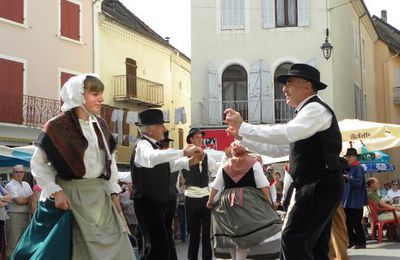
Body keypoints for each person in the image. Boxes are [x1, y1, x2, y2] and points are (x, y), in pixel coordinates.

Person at [224, 63, 345, 260]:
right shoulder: (306, 113)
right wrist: (244, 138)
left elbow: (287, 133)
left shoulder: (315, 109)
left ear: (307, 86)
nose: (284, 88)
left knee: (293, 239)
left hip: (319, 185)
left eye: (289, 83)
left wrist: (244, 127)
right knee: (313, 247)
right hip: (319, 185)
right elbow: (279, 148)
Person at [26, 74, 135, 259]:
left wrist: (114, 194)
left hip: (101, 199)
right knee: (79, 251)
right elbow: (38, 164)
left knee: (120, 249)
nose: (101, 98)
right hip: (72, 197)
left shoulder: (101, 125)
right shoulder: (57, 126)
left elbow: (110, 164)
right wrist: (56, 192)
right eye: (94, 94)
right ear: (78, 95)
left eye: (101, 93)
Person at [131, 109, 204, 260]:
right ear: (150, 129)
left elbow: (167, 166)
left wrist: (188, 162)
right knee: (156, 248)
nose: (164, 129)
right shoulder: (143, 146)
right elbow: (152, 158)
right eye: (161, 125)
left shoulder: (154, 147)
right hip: (148, 203)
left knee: (162, 246)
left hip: (156, 202)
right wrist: (182, 152)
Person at [207, 141, 282, 260]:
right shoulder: (254, 163)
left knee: (231, 234)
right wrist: (269, 203)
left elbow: (216, 185)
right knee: (245, 235)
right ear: (246, 150)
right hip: (248, 201)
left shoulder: (225, 165)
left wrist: (210, 201)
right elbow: (263, 186)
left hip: (227, 202)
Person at [181, 128, 219, 260]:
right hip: (190, 197)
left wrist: (212, 187)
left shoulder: (207, 156)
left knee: (207, 233)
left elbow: (218, 172)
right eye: (197, 137)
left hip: (205, 198)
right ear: (191, 139)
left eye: (201, 138)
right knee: (193, 233)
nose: (200, 140)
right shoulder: (184, 155)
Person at [5, 165, 33, 259]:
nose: (19, 174)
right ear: (12, 173)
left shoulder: (26, 184)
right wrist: (30, 199)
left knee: (25, 243)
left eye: (21, 172)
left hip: (27, 216)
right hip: (14, 216)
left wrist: (28, 199)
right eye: (16, 172)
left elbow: (31, 200)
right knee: (13, 243)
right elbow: (20, 201)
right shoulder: (10, 185)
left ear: (24, 173)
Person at [342, 148, 368, 249]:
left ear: (354, 157)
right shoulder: (348, 167)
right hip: (347, 201)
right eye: (346, 157)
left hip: (356, 200)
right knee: (347, 222)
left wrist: (348, 178)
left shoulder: (358, 168)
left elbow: (358, 183)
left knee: (356, 222)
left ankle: (361, 242)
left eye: (349, 157)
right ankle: (352, 240)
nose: (347, 158)